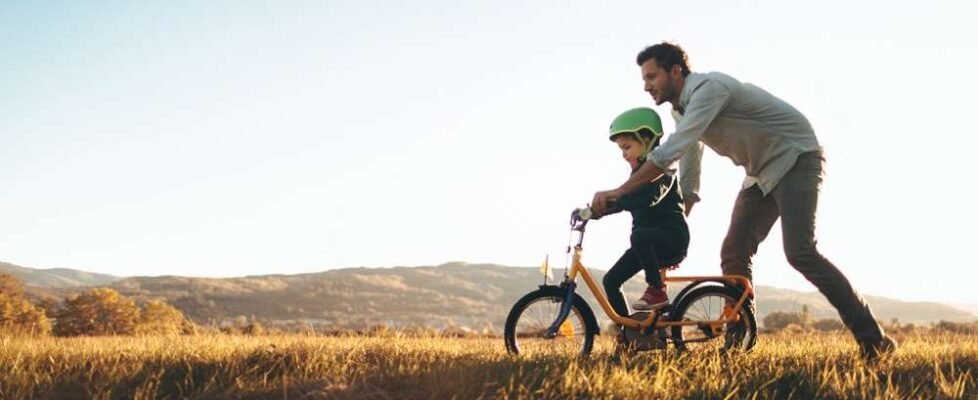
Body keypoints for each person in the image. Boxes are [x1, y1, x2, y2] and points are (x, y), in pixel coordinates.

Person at [590, 42, 897, 359]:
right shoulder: (680, 110)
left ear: (676, 71)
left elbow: (672, 150)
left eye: (652, 77)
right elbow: (690, 158)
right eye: (644, 79)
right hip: (759, 174)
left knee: (800, 251)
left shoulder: (709, 90)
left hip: (796, 156)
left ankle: (874, 340)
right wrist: (684, 212)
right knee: (734, 252)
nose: (646, 86)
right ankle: (740, 337)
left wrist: (619, 191)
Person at [589, 107, 690, 343]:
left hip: (671, 239)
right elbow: (627, 201)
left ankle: (657, 291)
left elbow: (647, 199)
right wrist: (597, 211)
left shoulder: (664, 172)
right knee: (611, 280)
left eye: (627, 147)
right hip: (647, 241)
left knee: (639, 236)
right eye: (621, 149)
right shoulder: (636, 174)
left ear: (647, 140)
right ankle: (628, 334)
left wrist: (616, 200)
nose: (623, 154)